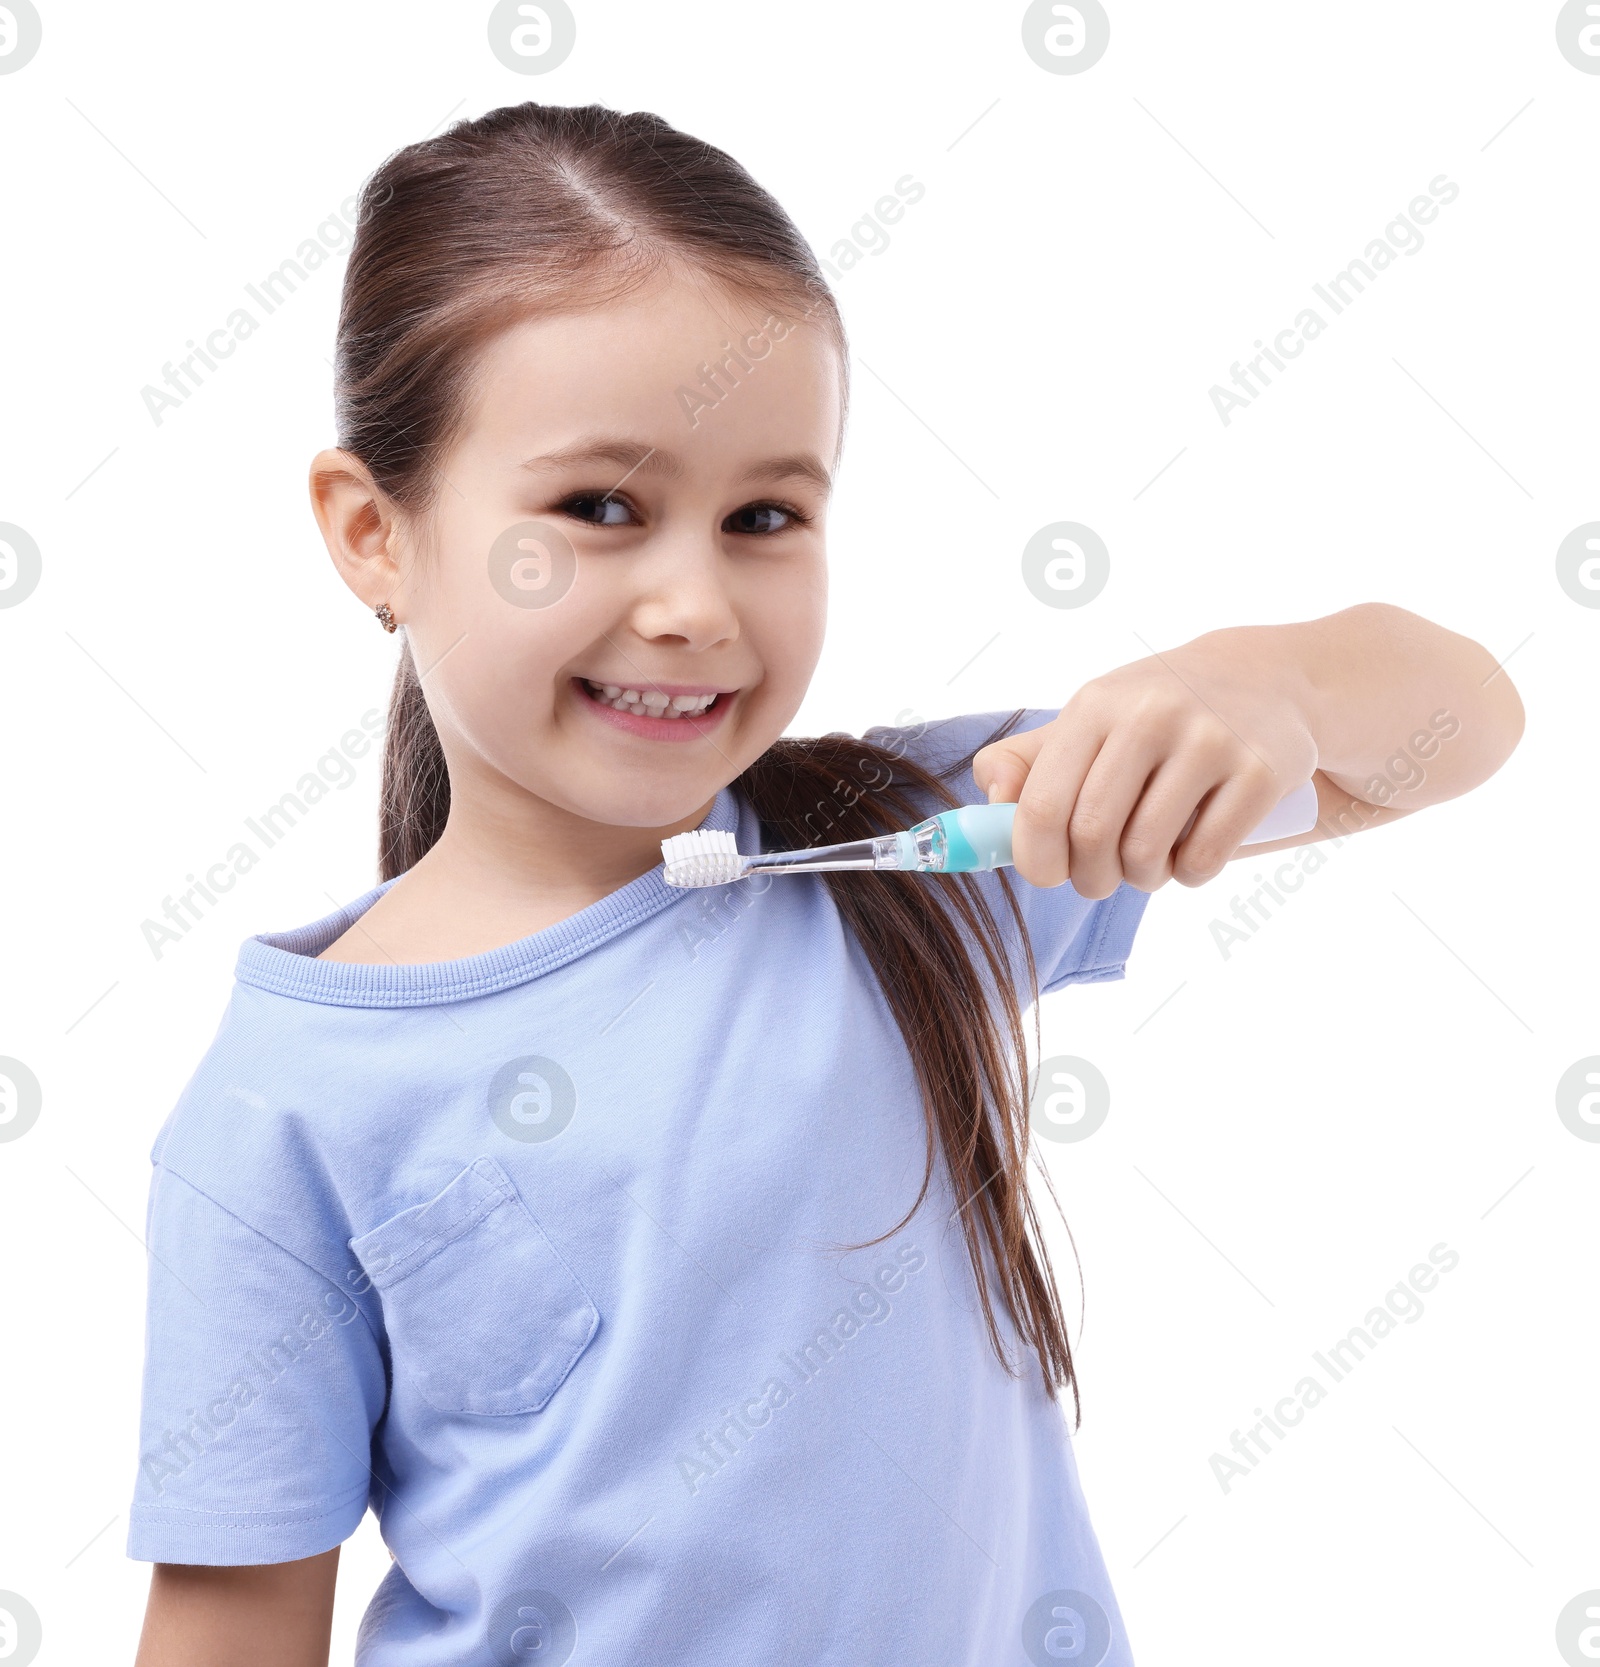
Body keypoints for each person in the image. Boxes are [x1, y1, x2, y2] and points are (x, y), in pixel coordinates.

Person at [127, 101, 1523, 1667]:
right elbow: (234, 1623)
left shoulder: (933, 848)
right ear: (373, 534)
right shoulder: (281, 1108)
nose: (691, 602)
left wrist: (1269, 684)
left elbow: (1466, 718)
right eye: (600, 508)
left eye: (766, 517)